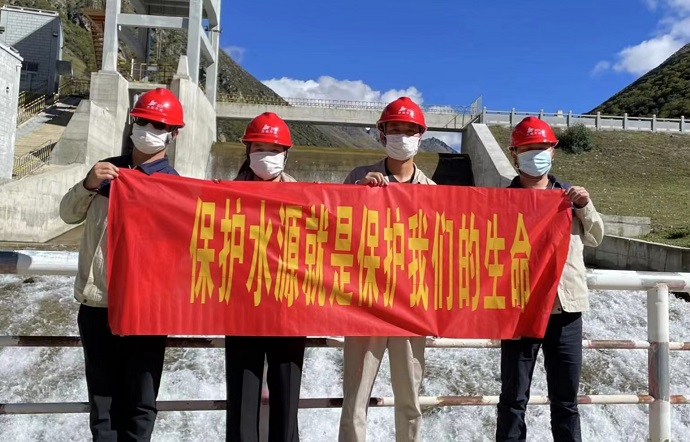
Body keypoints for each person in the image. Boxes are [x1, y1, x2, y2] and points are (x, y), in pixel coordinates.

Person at [59, 88, 185, 441]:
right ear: (132, 122)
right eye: (142, 121)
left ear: (173, 134)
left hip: (147, 310)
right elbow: (67, 214)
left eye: (158, 126)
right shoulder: (104, 173)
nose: (148, 130)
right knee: (103, 405)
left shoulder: (177, 188)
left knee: (140, 403)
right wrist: (88, 183)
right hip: (98, 304)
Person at [496, 116, 604, 442]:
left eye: (541, 148)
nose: (535, 154)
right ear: (514, 154)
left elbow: (596, 237)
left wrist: (585, 206)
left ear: (553, 151)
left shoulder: (569, 197)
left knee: (566, 400)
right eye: (527, 148)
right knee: (513, 399)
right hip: (520, 310)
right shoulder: (500, 201)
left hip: (565, 310)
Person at [338, 97, 435, 442]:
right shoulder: (359, 177)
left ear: (420, 136)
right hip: (366, 303)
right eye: (395, 129)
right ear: (382, 134)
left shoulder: (433, 192)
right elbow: (333, 228)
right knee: (355, 397)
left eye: (409, 130)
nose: (402, 136)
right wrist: (358, 195)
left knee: (409, 398)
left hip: (411, 307)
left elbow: (440, 255)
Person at [225, 112, 307, 442]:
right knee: (242, 402)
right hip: (241, 310)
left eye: (273, 149)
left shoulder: (305, 197)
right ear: (248, 151)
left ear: (286, 153)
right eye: (259, 148)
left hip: (289, 311)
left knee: (286, 403)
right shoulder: (224, 195)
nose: (266, 156)